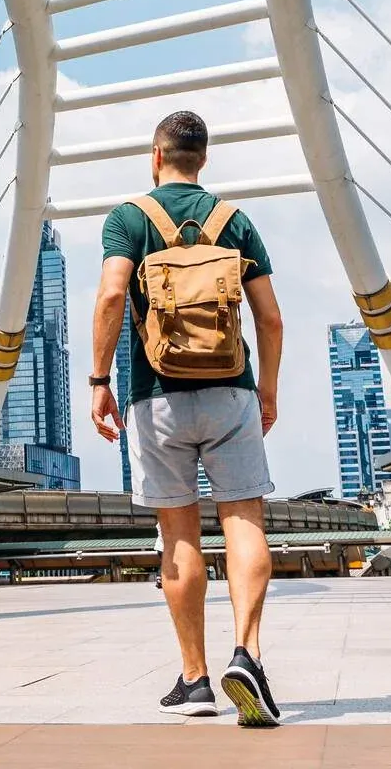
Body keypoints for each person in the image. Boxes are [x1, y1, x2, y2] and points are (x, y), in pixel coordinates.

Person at [91, 111, 284, 728]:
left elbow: (112, 296)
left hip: (157, 396)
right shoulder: (235, 221)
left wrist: (100, 382)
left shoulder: (129, 218)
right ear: (204, 159)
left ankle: (195, 678)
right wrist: (267, 393)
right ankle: (247, 656)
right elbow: (271, 319)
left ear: (156, 157)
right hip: (232, 392)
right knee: (243, 518)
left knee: (179, 535)